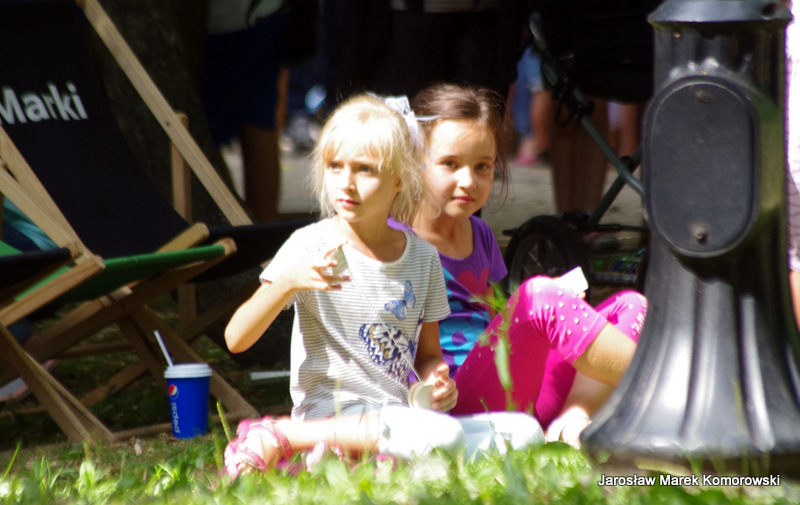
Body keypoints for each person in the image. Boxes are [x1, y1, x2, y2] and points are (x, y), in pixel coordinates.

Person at [222, 94, 541, 478]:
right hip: (331, 417)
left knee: (526, 432)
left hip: (398, 418)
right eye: (335, 166)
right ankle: (285, 434)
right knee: (442, 438)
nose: (347, 183)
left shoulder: (422, 257)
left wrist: (437, 379)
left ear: (400, 179)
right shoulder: (310, 244)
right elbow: (236, 338)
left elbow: (428, 355)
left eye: (365, 170)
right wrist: (288, 282)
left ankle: (369, 461)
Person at [396, 83, 647, 446]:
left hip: (509, 387)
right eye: (450, 164)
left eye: (482, 167)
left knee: (631, 304)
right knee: (540, 296)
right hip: (452, 403)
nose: (468, 181)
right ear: (414, 161)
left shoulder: (479, 233)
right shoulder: (394, 240)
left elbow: (497, 319)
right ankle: (670, 382)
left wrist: (558, 311)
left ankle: (572, 421)